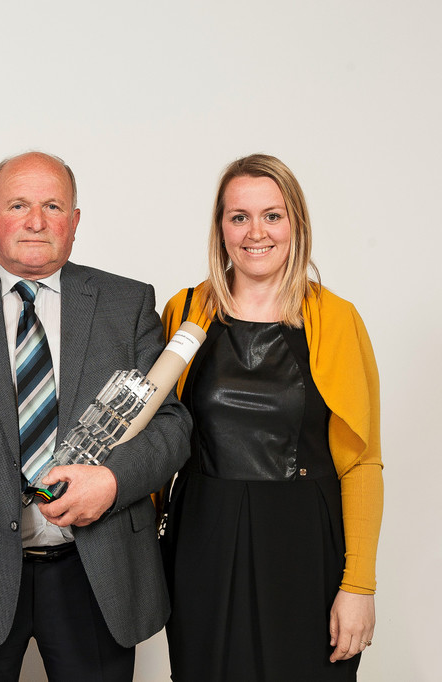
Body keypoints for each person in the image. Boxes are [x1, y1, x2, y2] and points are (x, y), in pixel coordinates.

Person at [0, 151, 191, 681]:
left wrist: (112, 482)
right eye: (18, 205)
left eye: (53, 206)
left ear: (74, 221)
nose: (36, 221)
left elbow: (172, 428)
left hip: (95, 574)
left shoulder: (126, 304)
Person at [160, 153, 382, 681]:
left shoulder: (338, 319)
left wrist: (358, 585)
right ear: (221, 228)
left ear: (295, 224)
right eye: (239, 216)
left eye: (272, 215)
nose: (255, 232)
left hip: (306, 547)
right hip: (202, 546)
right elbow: (155, 442)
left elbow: (362, 463)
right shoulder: (184, 309)